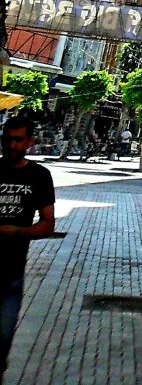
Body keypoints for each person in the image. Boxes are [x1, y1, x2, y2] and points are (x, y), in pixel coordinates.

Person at [0, 113, 55, 377]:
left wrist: (18, 231)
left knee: (2, 339)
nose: (12, 145)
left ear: (30, 142)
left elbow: (47, 224)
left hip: (11, 274)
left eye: (18, 140)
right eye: (8, 139)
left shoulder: (39, 176)